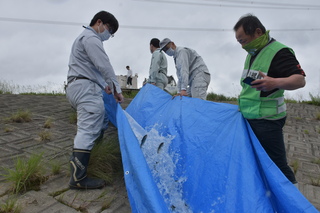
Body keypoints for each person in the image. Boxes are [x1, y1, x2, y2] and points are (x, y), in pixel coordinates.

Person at [233, 14, 306, 185]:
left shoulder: (279, 52)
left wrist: (274, 82)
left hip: (267, 120)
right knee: (255, 160)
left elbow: (300, 80)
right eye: (239, 42)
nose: (243, 46)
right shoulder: (253, 52)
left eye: (244, 41)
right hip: (249, 117)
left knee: (277, 166)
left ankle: (292, 203)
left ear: (258, 32)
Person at [66, 11, 123, 189]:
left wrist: (103, 85)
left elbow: (90, 68)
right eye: (109, 29)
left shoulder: (84, 38)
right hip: (84, 89)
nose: (108, 34)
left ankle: (88, 159)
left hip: (80, 85)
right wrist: (116, 89)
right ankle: (78, 178)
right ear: (99, 22)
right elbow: (104, 64)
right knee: (88, 128)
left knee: (97, 122)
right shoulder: (91, 38)